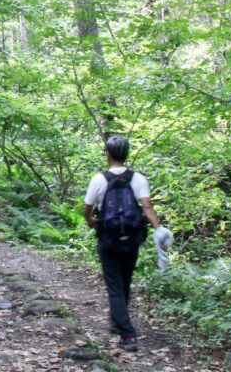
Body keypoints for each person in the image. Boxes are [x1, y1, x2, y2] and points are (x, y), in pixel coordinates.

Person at [83, 134, 172, 352]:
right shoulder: (138, 178)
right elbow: (147, 207)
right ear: (126, 154)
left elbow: (87, 208)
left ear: (108, 154)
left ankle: (128, 334)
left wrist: (92, 222)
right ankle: (117, 322)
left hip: (108, 239)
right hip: (132, 239)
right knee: (124, 281)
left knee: (114, 287)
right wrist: (158, 229)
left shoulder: (99, 179)